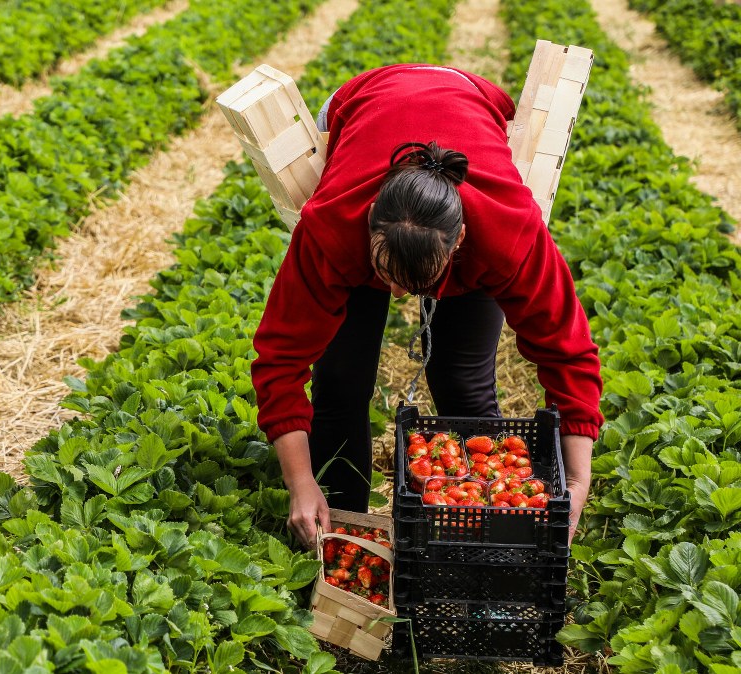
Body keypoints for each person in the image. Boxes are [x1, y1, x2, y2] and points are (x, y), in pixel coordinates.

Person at [251, 64, 602, 550]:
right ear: (369, 223)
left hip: (469, 98)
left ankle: (482, 525)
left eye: (417, 284)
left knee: (462, 379)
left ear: (460, 240)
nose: (398, 296)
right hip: (362, 101)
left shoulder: (509, 233)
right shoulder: (330, 227)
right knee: (341, 381)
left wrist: (578, 481)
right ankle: (339, 528)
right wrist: (300, 482)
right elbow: (281, 359)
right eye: (386, 276)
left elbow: (567, 352)